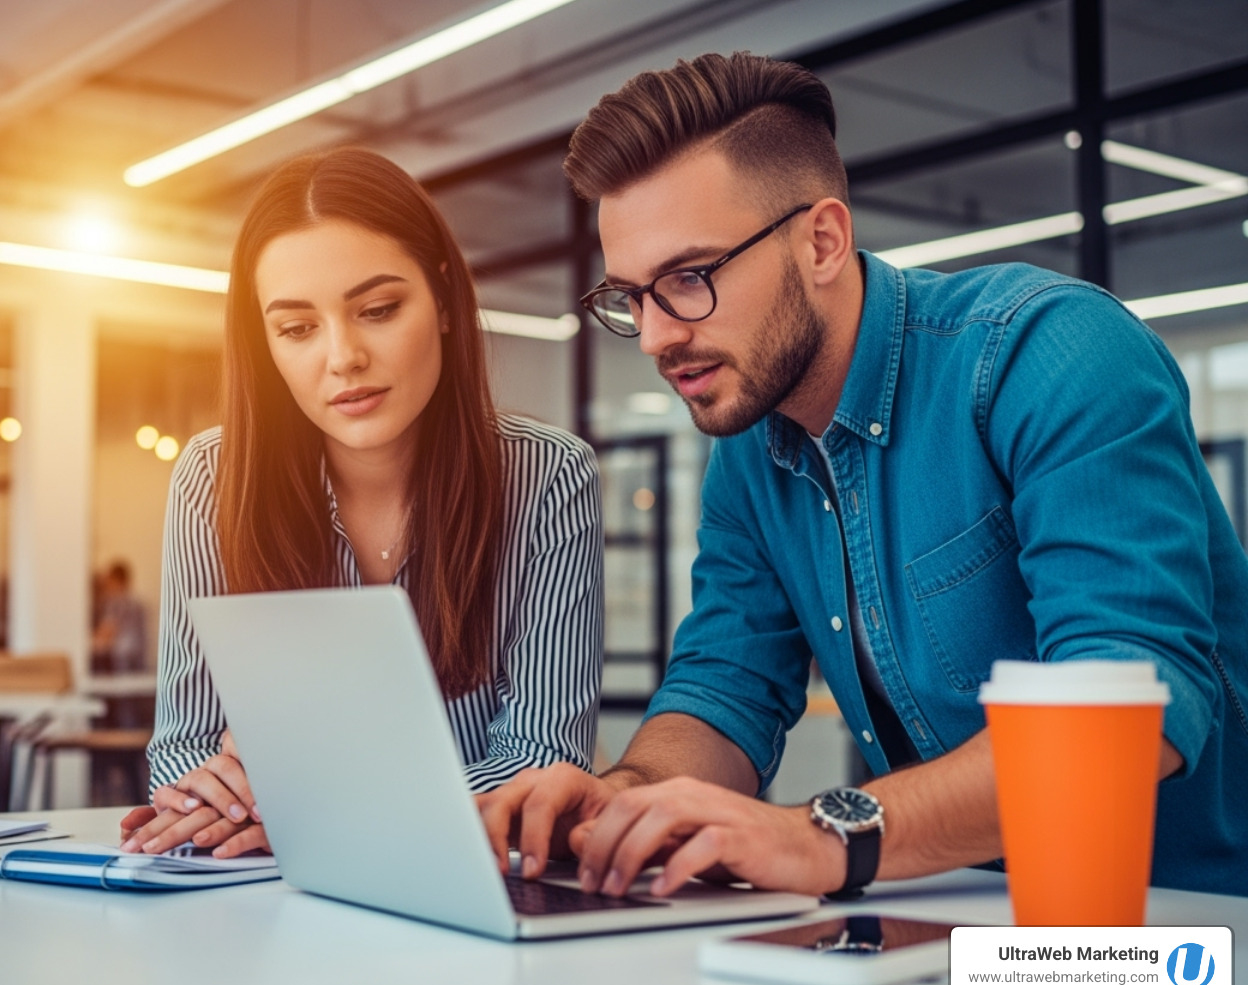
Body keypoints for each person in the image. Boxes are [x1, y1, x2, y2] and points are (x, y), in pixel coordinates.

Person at [479, 52, 1248, 900]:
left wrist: (825, 834)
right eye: (631, 296)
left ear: (822, 241)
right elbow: (727, 684)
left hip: (1184, 918)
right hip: (958, 914)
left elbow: (1126, 711)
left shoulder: (1050, 354)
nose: (656, 336)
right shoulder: (751, 451)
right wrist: (625, 799)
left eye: (689, 279)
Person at [121, 148, 604, 857]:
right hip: (265, 903)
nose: (342, 356)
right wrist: (224, 793)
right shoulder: (212, 478)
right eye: (295, 328)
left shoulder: (549, 476)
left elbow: (541, 763)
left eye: (377, 310)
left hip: (467, 905)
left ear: (442, 301)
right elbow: (182, 752)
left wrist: (303, 808)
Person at [91, 560, 146, 673]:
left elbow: (107, 631)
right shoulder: (136, 602)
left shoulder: (116, 601)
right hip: (138, 658)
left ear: (115, 580)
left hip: (122, 659)